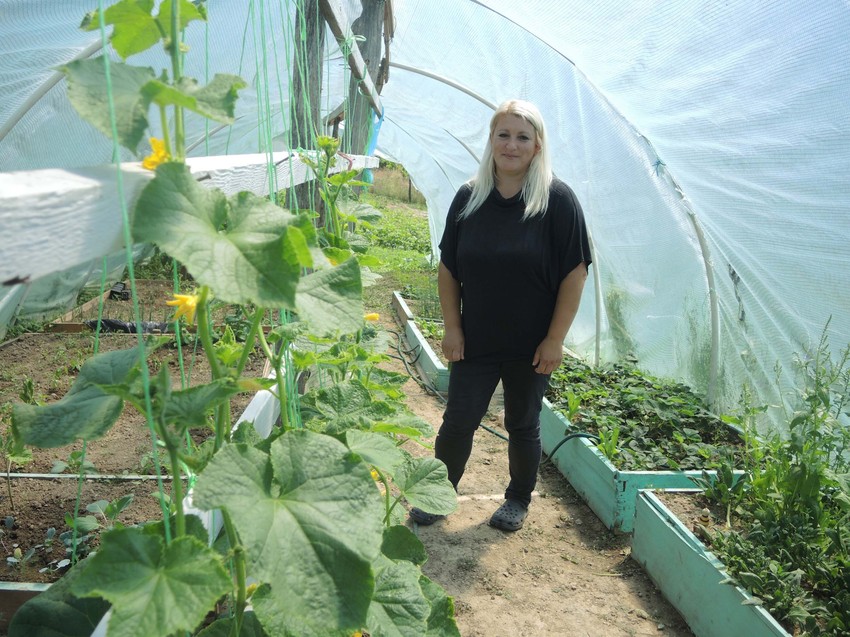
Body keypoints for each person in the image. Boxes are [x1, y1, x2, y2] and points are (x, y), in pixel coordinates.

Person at [409, 99, 592, 532]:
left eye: (522, 137)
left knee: (522, 423)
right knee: (458, 421)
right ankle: (440, 493)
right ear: (491, 141)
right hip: (476, 339)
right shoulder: (470, 198)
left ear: (537, 145)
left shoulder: (557, 201)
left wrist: (554, 339)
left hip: (531, 345)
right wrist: (453, 328)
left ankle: (517, 499)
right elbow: (449, 267)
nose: (511, 145)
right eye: (503, 135)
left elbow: (575, 273)